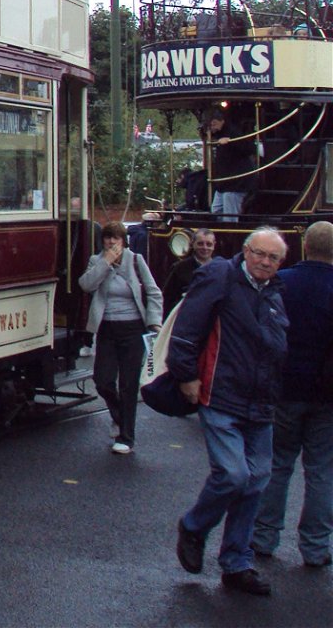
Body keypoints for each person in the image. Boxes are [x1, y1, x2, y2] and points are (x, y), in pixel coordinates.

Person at [170, 227, 290, 596]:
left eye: (273, 258)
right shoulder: (219, 274)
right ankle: (193, 526)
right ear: (245, 250)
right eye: (260, 254)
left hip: (261, 400)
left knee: (256, 481)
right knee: (235, 474)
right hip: (220, 393)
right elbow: (187, 326)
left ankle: (237, 563)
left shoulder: (273, 291)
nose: (265, 262)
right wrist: (186, 375)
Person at [251, 220, 333, 569]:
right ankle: (315, 547)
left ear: (304, 245)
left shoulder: (283, 283)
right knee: (321, 471)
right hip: (327, 392)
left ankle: (264, 537)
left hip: (284, 387)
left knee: (277, 463)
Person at [80, 222, 162, 454]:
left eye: (116, 238)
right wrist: (105, 262)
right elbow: (85, 285)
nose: (112, 242)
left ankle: (127, 437)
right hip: (107, 328)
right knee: (103, 381)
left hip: (133, 329)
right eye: (108, 238)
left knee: (128, 384)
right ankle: (118, 416)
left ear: (124, 241)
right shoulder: (97, 261)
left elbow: (153, 290)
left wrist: (154, 321)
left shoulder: (135, 261)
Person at [205, 113, 255, 221]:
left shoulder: (233, 132)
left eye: (214, 124)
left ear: (221, 121)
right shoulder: (219, 134)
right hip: (224, 182)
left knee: (230, 215)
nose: (213, 128)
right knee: (216, 210)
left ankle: (230, 235)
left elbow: (249, 148)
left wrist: (231, 141)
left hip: (236, 182)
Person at [162, 228, 217, 312]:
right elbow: (167, 299)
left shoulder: (221, 268)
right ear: (192, 244)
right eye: (200, 244)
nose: (205, 247)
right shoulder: (179, 268)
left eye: (209, 244)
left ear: (214, 245)